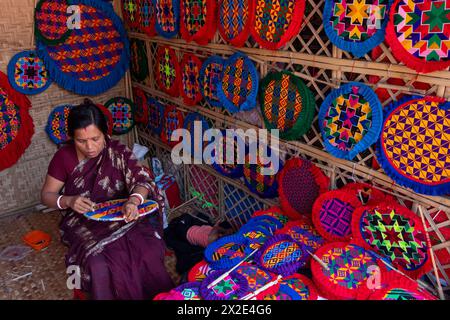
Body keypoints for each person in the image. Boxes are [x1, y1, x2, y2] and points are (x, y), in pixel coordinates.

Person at [40, 99, 174, 300]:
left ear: (106, 134)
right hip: (82, 219)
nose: (90, 147)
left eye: (96, 138)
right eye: (81, 141)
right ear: (71, 138)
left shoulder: (117, 152)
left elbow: (142, 181)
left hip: (123, 215)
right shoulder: (63, 158)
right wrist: (68, 201)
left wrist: (134, 201)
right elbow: (46, 195)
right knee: (98, 263)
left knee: (148, 250)